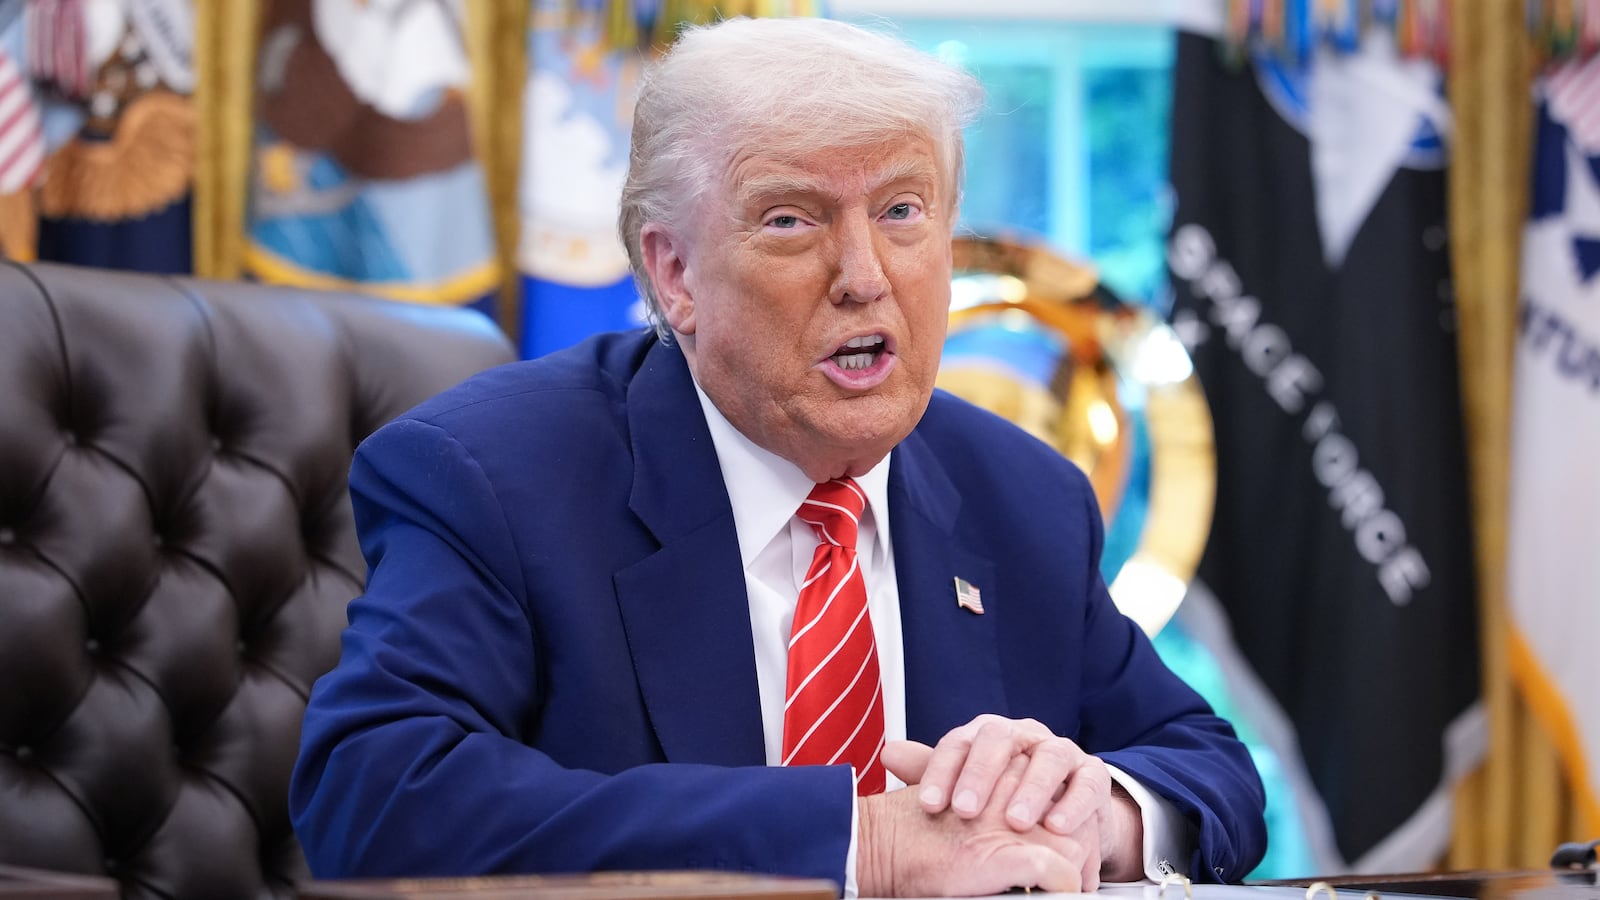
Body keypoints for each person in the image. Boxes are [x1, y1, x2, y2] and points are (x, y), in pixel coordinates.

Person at [290, 16, 1267, 897]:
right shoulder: (494, 475)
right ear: (673, 272)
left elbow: (1209, 769)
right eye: (793, 219)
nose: (864, 278)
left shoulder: (1021, 493)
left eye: (902, 212)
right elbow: (374, 799)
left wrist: (1101, 812)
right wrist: (856, 843)